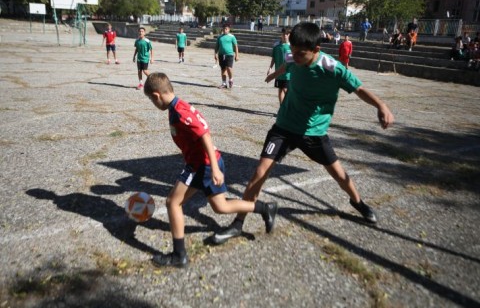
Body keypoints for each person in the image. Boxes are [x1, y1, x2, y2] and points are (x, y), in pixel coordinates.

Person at [213, 22, 394, 245]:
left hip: (314, 132)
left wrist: (381, 106)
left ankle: (357, 202)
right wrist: (272, 77)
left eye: (301, 53)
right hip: (284, 128)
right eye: (293, 50)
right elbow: (286, 65)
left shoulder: (331, 68)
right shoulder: (292, 56)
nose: (295, 56)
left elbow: (359, 89)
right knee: (258, 174)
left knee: (339, 174)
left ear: (316, 50)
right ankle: (238, 224)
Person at [143, 72, 278, 267]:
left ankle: (179, 255)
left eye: (151, 100)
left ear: (156, 95)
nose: (153, 104)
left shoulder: (180, 112)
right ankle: (266, 208)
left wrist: (215, 169)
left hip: (203, 165)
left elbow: (204, 134)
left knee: (173, 202)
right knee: (220, 207)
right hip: (205, 162)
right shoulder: (177, 107)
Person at [267, 28, 291, 105]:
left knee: (285, 89)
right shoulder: (276, 45)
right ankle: (282, 107)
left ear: (289, 35)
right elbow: (274, 58)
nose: (285, 36)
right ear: (281, 35)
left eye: (286, 34)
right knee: (280, 89)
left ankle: (288, 106)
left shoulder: (291, 46)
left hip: (288, 74)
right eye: (283, 34)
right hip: (278, 73)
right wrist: (270, 67)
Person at [214, 24, 239, 89]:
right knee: (223, 69)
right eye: (224, 29)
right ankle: (224, 83)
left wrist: (237, 55)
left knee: (229, 68)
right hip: (221, 55)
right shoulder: (219, 37)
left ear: (229, 29)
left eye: (226, 29)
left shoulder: (232, 37)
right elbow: (217, 47)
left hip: (229, 54)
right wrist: (215, 54)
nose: (225, 30)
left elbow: (235, 46)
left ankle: (231, 79)